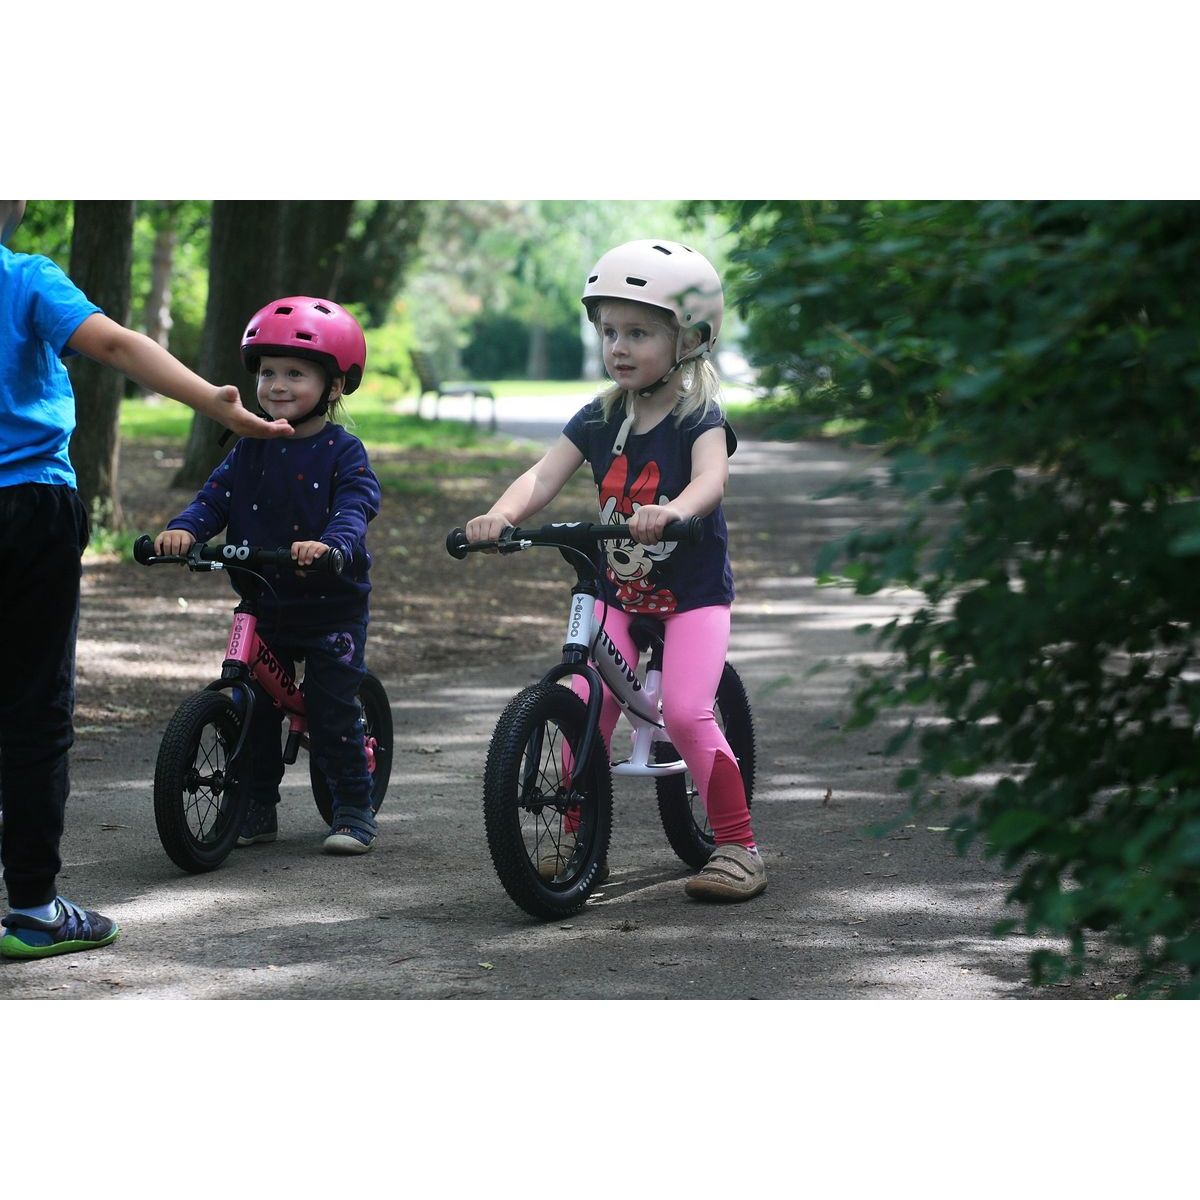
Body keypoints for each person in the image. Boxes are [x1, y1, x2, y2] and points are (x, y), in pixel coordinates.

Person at [0, 200, 295, 961]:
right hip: (27, 507)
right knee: (32, 709)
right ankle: (33, 910)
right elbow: (116, 344)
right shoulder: (25, 278)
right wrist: (216, 403)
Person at [465, 239, 766, 901]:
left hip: (692, 596)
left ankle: (739, 847)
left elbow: (712, 480)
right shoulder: (600, 416)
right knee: (582, 706)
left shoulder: (697, 416)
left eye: (638, 333)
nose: (619, 347)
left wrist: (674, 510)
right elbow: (543, 475)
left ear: (689, 339)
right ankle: (578, 841)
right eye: (609, 332)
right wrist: (499, 516)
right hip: (619, 591)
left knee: (685, 713)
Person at [154, 296, 383, 857]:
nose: (277, 385)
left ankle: (354, 807)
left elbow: (356, 504)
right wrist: (184, 530)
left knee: (331, 712)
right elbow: (213, 500)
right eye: (267, 372)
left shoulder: (342, 451)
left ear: (333, 386)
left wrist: (332, 543)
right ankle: (255, 806)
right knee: (252, 708)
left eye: (295, 374)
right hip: (262, 599)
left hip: (330, 605)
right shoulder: (248, 449)